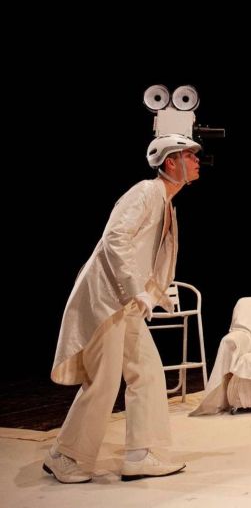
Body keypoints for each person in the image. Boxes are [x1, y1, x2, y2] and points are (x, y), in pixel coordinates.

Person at [44, 133, 201, 483]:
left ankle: (141, 454)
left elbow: (149, 258)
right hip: (106, 300)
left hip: (125, 303)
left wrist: (155, 294)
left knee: (147, 372)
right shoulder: (146, 191)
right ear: (171, 161)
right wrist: (135, 290)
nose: (196, 161)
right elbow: (115, 238)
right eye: (190, 155)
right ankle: (65, 456)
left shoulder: (167, 204)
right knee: (104, 380)